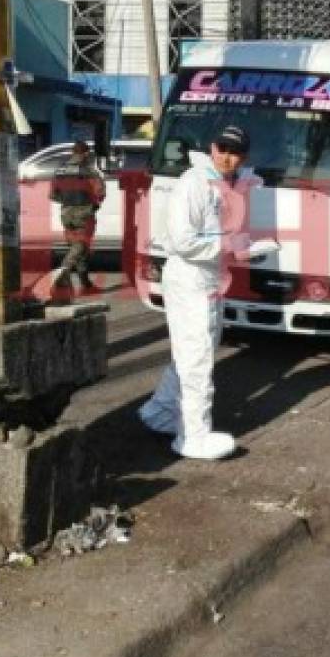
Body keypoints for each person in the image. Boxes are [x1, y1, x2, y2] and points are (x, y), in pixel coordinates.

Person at [138, 125, 262, 461]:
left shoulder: (227, 184)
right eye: (222, 148)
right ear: (212, 146)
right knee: (198, 358)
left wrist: (242, 246)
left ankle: (160, 412)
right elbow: (184, 240)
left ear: (243, 156)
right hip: (191, 278)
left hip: (208, 278)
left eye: (234, 151)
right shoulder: (194, 184)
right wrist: (230, 245)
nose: (227, 156)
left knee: (196, 350)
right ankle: (193, 436)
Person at [50, 140, 105, 296]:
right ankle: (62, 272)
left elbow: (53, 195)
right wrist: (91, 203)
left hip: (66, 213)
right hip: (84, 213)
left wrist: (68, 201)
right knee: (80, 246)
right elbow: (100, 193)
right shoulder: (89, 172)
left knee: (80, 249)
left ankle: (86, 285)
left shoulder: (60, 171)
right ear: (86, 154)